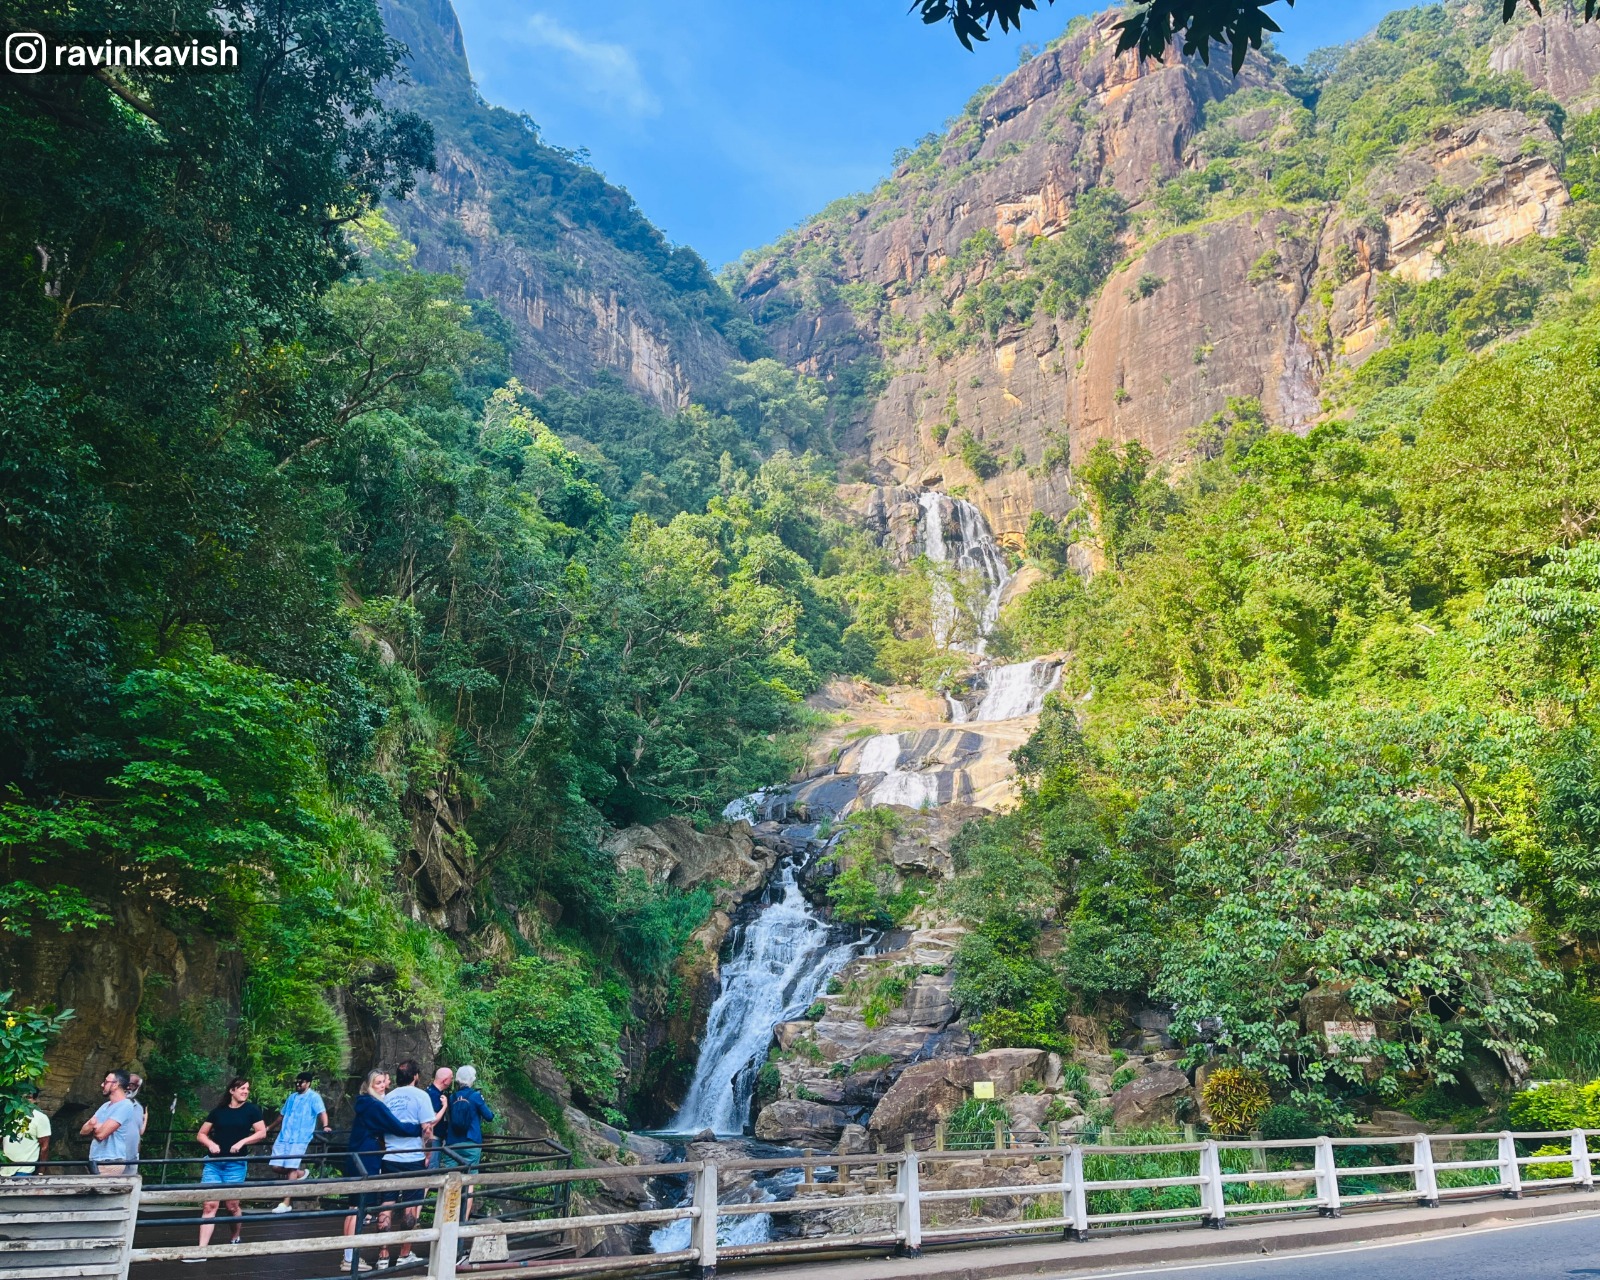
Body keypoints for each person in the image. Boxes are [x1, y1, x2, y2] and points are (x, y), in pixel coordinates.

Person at [342, 1069, 426, 1275]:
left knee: (355, 1206)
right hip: (366, 1156)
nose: (383, 1086)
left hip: (359, 1154)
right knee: (357, 1207)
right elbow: (395, 1126)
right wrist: (420, 1129)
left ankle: (350, 1254)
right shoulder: (373, 1105)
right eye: (378, 1083)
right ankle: (349, 1258)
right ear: (369, 1085)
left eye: (384, 1082)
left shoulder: (365, 1103)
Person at [375, 1060, 441, 1269]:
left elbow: (381, 1131)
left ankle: (383, 1255)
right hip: (413, 1159)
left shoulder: (387, 1098)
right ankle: (404, 1253)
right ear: (415, 1076)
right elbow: (427, 1129)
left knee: (387, 1204)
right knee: (411, 1205)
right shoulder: (421, 1096)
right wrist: (427, 1152)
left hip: (390, 1158)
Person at [194, 1078, 266, 1255]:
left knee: (232, 1205)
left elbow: (261, 1132)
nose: (246, 1091)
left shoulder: (251, 1110)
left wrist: (242, 1142)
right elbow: (201, 1134)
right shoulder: (219, 1111)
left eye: (248, 1088)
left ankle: (235, 1234)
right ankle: (201, 1250)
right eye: (242, 1088)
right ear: (232, 1091)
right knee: (210, 1205)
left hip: (236, 1163)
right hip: (214, 1163)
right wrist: (210, 1144)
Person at [268, 1072, 331, 1212]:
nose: (298, 1084)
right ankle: (301, 1173)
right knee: (275, 1166)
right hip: (285, 1135)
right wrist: (270, 1128)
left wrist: (326, 1125)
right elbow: (282, 1115)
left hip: (300, 1137)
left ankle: (286, 1203)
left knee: (290, 1167)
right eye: (297, 1082)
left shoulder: (314, 1097)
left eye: (301, 1082)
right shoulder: (292, 1097)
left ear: (308, 1083)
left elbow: (322, 1112)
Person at [443, 1065, 495, 1229]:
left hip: (451, 1143)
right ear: (472, 1080)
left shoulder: (451, 1097)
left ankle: (446, 1221)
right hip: (471, 1142)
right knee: (469, 1181)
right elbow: (489, 1116)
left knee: (450, 1181)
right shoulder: (475, 1096)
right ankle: (462, 1222)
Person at [79, 1069, 138, 1175]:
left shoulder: (125, 1105)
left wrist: (94, 1126)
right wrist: (97, 1126)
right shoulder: (105, 1106)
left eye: (106, 1082)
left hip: (111, 1160)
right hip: (95, 1159)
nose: (102, 1084)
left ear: (116, 1084)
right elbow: (83, 1131)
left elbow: (101, 1135)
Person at [1, 1088, 51, 1177]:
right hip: (4, 1167)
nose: (24, 1100)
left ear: (35, 1100)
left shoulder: (40, 1118)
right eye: (21, 1097)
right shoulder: (7, 1115)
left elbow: (44, 1146)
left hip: (25, 1169)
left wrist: (41, 1169)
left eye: (28, 1097)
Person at [424, 1068, 451, 1168]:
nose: (452, 1081)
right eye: (450, 1078)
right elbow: (432, 1121)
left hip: (431, 1139)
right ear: (444, 1080)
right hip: (432, 1138)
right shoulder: (435, 1096)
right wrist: (444, 1106)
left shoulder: (429, 1091)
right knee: (432, 1170)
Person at [125, 1073, 148, 1172]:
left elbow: (139, 1132)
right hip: (115, 1156)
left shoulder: (139, 1108)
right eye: (127, 1083)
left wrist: (145, 1118)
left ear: (138, 1087)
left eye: (132, 1085)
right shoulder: (113, 1104)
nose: (128, 1087)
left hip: (133, 1156)